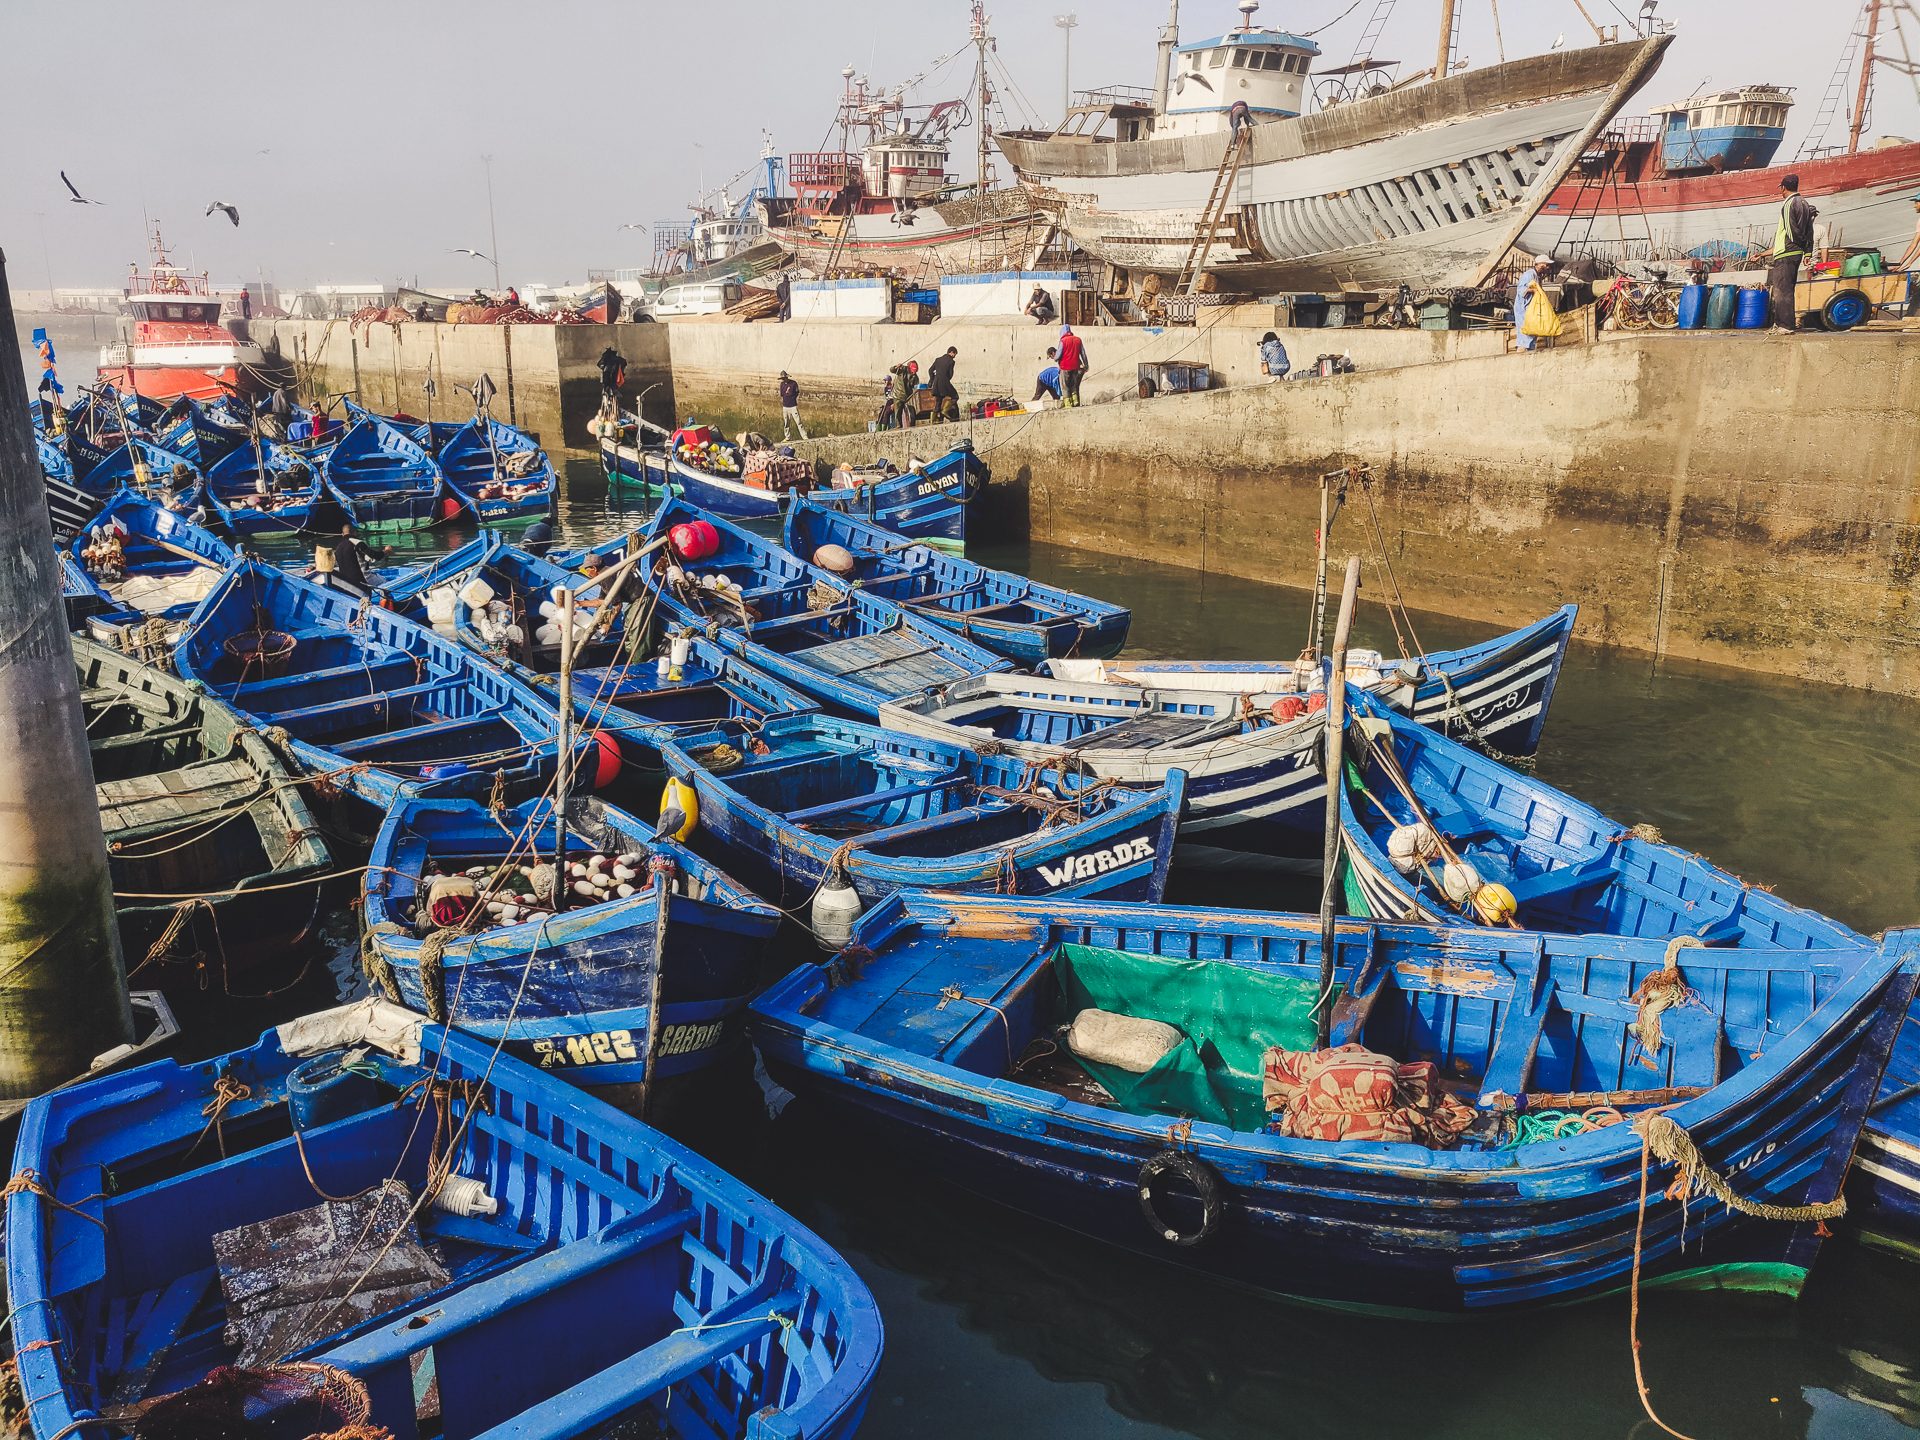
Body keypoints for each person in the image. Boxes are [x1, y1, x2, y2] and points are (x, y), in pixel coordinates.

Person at [1766, 174, 1817, 333]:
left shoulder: (1788, 203)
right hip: (1795, 252)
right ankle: (1780, 324)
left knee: (1782, 290)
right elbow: (1810, 231)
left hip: (1786, 252)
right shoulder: (1804, 203)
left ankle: (1785, 326)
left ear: (1783, 188)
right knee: (1786, 289)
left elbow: (1791, 229)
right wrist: (1807, 252)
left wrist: (1798, 244)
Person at [324, 523, 385, 597]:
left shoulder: (338, 548)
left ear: (342, 534)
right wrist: (385, 551)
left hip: (348, 584)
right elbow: (375, 557)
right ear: (355, 532)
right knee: (385, 581)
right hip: (364, 581)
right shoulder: (357, 543)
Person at [1512, 253, 1556, 352]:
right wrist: (1534, 291)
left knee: (1532, 333)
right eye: (1546, 265)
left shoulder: (1537, 276)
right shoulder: (1529, 274)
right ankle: (1521, 354)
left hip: (1532, 309)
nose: (1548, 267)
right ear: (1541, 265)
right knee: (1525, 335)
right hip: (1524, 309)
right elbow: (1521, 290)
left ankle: (1529, 353)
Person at [1057, 325, 1088, 407]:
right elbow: (1083, 354)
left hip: (1065, 367)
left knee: (1065, 386)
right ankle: (1075, 401)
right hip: (1075, 367)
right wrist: (1086, 365)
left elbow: (1058, 355)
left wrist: (1056, 359)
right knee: (1073, 385)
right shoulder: (1078, 340)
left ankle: (1068, 404)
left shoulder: (1063, 341)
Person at [927, 346, 959, 422]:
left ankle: (933, 420)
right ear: (951, 352)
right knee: (955, 396)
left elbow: (930, 370)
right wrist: (946, 380)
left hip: (936, 383)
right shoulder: (951, 361)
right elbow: (950, 374)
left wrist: (932, 379)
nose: (954, 356)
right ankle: (945, 411)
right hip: (945, 382)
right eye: (955, 354)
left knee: (938, 401)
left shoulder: (938, 360)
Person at [778, 370, 808, 440]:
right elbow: (782, 394)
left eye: (784, 378)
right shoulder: (782, 384)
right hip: (785, 406)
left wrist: (793, 398)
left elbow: (797, 392)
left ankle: (804, 436)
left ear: (787, 377)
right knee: (786, 423)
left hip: (793, 406)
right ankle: (787, 437)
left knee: (798, 422)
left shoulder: (793, 383)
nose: (784, 379)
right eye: (782, 378)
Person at [890, 361, 918, 429]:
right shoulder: (902, 369)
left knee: (910, 411)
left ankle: (911, 424)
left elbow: (913, 385)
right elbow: (892, 370)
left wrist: (913, 376)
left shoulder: (915, 376)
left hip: (908, 396)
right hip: (898, 394)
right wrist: (896, 366)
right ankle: (898, 425)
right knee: (898, 411)